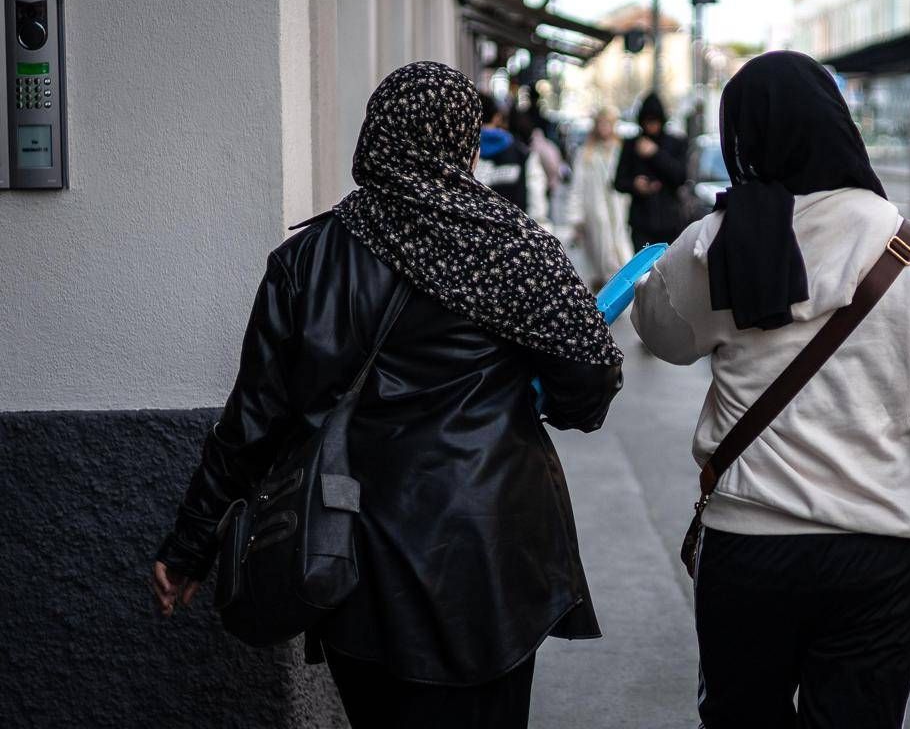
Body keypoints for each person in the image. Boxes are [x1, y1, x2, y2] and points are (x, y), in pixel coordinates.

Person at [152, 61, 623, 729]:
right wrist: (540, 397)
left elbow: (253, 422)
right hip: (494, 555)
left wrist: (189, 547)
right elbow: (591, 379)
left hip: (355, 558)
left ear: (376, 136)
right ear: (463, 143)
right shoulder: (512, 245)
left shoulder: (306, 261)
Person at [630, 51, 910, 729]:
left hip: (748, 548)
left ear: (740, 138)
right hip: (877, 557)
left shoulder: (715, 244)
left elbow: (660, 333)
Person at [567, 107, 633, 289]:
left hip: (619, 212)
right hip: (595, 214)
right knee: (599, 261)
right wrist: (576, 218)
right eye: (601, 123)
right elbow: (577, 187)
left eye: (608, 123)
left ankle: (619, 295)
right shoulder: (585, 153)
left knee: (621, 255)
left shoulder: (621, 150)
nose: (604, 128)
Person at [614, 92, 688, 250]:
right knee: (644, 272)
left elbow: (680, 177)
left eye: (655, 121)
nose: (652, 126)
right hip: (642, 223)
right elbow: (618, 181)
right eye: (648, 121)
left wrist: (655, 154)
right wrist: (635, 184)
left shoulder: (675, 143)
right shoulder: (632, 145)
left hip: (669, 221)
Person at [475, 92, 550, 228]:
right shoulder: (522, 153)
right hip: (514, 237)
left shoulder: (461, 155)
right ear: (497, 118)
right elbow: (537, 202)